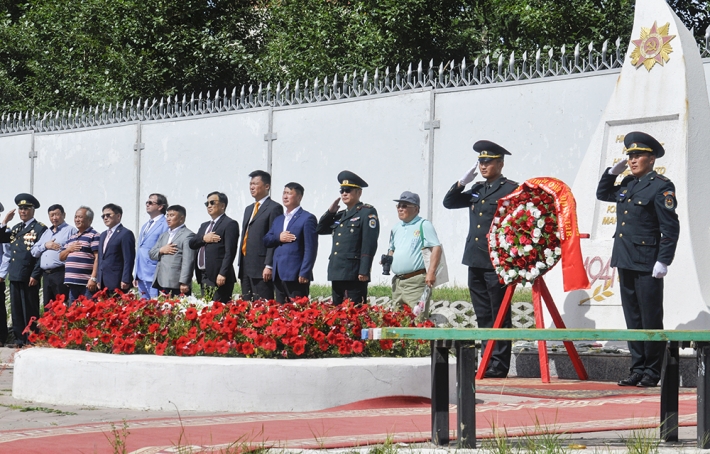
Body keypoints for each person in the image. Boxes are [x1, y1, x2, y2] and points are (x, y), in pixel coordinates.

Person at [596, 131, 679, 388]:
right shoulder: (628, 184)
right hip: (625, 259)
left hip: (647, 262)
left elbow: (670, 227)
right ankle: (637, 369)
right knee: (633, 318)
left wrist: (664, 260)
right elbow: (603, 194)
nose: (632, 160)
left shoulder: (661, 185)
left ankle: (652, 373)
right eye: (630, 156)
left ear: (651, 159)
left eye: (638, 156)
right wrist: (612, 172)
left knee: (650, 318)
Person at [443, 141, 519, 378]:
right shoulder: (477, 188)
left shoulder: (510, 189)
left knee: (499, 314)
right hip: (474, 258)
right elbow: (450, 202)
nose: (483, 166)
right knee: (483, 314)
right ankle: (486, 360)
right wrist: (461, 183)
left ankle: (499, 363)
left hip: (496, 261)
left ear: (500, 163)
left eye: (488, 161)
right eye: (481, 162)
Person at [316, 171, 379, 305]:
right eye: (342, 190)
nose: (344, 193)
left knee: (355, 311)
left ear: (359, 192)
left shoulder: (366, 213)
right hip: (337, 271)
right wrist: (330, 212)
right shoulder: (340, 215)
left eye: (348, 190)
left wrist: (364, 270)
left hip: (354, 273)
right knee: (337, 312)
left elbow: (369, 243)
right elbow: (320, 229)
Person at [0, 194, 48, 346]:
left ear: (33, 210)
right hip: (15, 274)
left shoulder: (40, 228)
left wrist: (35, 274)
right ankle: (19, 339)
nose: (23, 212)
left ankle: (31, 338)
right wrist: (5, 221)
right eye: (21, 209)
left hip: (28, 276)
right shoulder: (16, 228)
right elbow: (2, 238)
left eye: (26, 209)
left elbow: (41, 254)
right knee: (16, 310)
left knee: (29, 309)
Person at [386, 191, 442, 311]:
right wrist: (387, 259)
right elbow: (392, 250)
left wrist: (431, 273)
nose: (400, 209)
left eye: (405, 206)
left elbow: (436, 248)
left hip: (415, 282)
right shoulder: (396, 227)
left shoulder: (424, 225)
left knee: (418, 319)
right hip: (398, 282)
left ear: (416, 209)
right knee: (397, 320)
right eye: (399, 206)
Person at [263, 182, 318, 303]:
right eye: (284, 193)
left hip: (296, 275)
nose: (285, 196)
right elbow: (266, 240)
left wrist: (305, 272)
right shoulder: (279, 219)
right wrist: (279, 237)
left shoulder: (307, 218)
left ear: (299, 197)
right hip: (278, 274)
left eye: (289, 193)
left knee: (297, 312)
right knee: (281, 313)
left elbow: (311, 248)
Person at [238, 170, 283, 301]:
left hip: (261, 267)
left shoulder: (274, 208)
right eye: (250, 184)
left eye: (256, 184)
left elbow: (273, 238)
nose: (252, 187)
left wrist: (269, 265)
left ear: (267, 186)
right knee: (246, 305)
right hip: (245, 265)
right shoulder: (248, 209)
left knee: (262, 305)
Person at [189, 192, 240, 302]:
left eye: (212, 202)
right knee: (206, 309)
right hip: (203, 275)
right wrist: (204, 238)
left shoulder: (229, 224)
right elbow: (192, 243)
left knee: (218, 309)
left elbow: (230, 252)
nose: (209, 206)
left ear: (222, 205)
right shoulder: (204, 225)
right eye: (207, 203)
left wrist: (222, 273)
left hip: (219, 276)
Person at [31, 204, 76, 307]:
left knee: (63, 305)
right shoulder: (46, 233)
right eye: (51, 215)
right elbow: (34, 251)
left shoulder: (71, 231)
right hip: (46, 275)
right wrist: (45, 245)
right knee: (49, 306)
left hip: (61, 273)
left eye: (57, 214)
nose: (54, 218)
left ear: (64, 215)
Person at [150, 205, 196, 296]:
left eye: (172, 215)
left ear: (181, 218)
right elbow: (151, 253)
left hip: (176, 283)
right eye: (167, 215)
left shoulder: (188, 235)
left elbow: (188, 260)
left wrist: (184, 282)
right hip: (161, 280)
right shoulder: (164, 235)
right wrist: (161, 250)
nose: (168, 218)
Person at [59, 206, 100, 303]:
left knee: (87, 312)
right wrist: (69, 249)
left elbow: (98, 258)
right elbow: (61, 257)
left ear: (89, 220)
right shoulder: (72, 237)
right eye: (75, 217)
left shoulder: (94, 235)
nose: (77, 220)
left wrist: (93, 278)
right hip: (72, 283)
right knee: (73, 313)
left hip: (86, 284)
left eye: (80, 217)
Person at [134, 193, 169, 298]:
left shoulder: (165, 224)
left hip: (154, 272)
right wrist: (135, 273)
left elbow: (166, 247)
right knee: (144, 308)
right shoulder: (146, 225)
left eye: (150, 202)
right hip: (141, 272)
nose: (147, 205)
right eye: (146, 202)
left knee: (156, 306)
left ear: (160, 206)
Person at [97, 204, 136, 294]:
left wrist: (126, 279)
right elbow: (100, 258)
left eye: (108, 215)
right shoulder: (103, 235)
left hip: (117, 280)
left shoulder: (125, 233)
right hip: (103, 281)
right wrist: (99, 278)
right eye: (103, 216)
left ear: (118, 216)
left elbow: (128, 259)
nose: (105, 218)